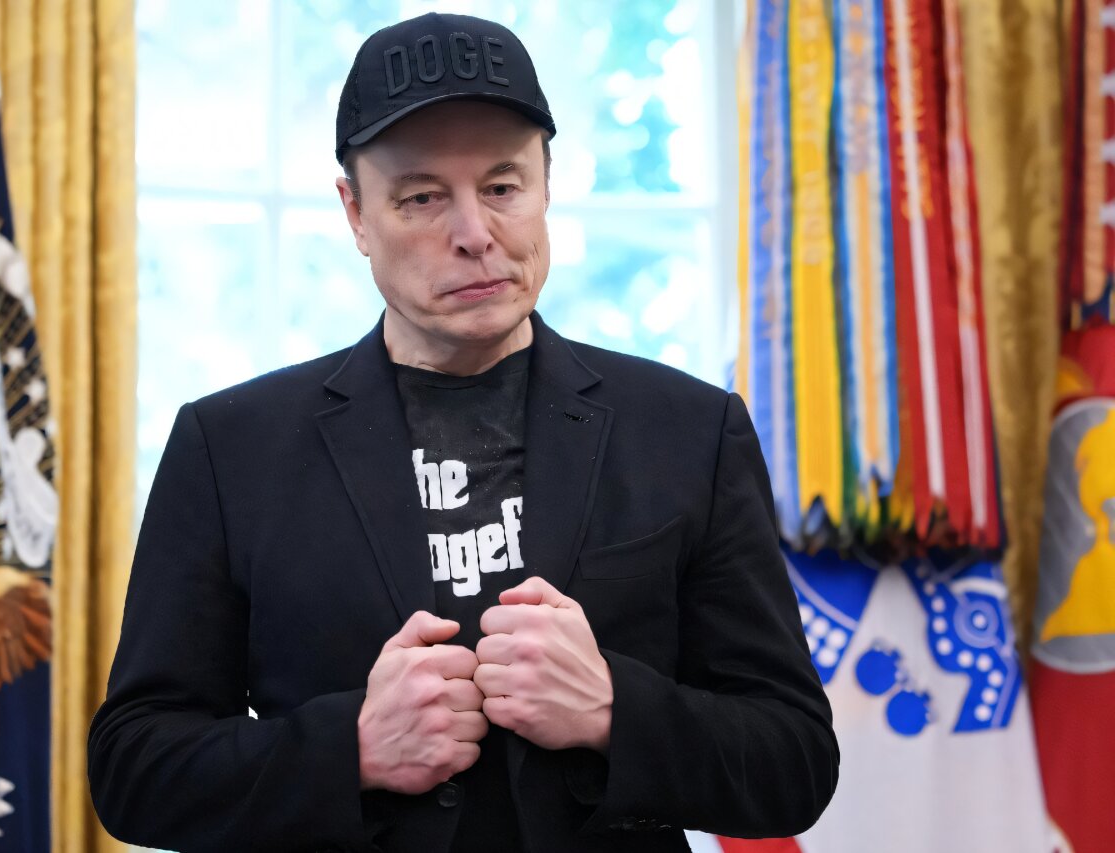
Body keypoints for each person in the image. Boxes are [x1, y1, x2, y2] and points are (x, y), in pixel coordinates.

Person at [88, 12, 838, 853]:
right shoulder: (230, 448)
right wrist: (350, 749)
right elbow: (135, 769)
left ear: (547, 185)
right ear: (356, 213)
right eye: (422, 197)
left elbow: (795, 763)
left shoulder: (690, 432)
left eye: (503, 186)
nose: (475, 234)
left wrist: (611, 709)